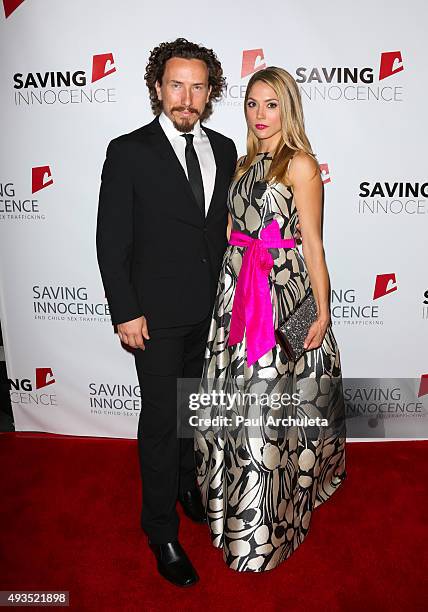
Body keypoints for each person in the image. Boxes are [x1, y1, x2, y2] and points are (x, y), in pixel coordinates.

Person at [96, 38, 238, 587]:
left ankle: (186, 487)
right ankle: (160, 531)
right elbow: (112, 240)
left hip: (211, 313)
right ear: (158, 88)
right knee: (159, 422)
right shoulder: (128, 150)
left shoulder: (225, 148)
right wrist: (125, 310)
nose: (187, 96)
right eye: (176, 84)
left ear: (210, 92)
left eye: (198, 86)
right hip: (153, 316)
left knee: (191, 413)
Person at [195, 66, 347, 572]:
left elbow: (313, 244)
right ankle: (234, 512)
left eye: (271, 104)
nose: (260, 115)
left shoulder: (300, 165)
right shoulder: (242, 164)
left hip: (280, 296)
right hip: (235, 292)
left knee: (270, 410)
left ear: (289, 107)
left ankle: (269, 527)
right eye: (252, 104)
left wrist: (322, 311)